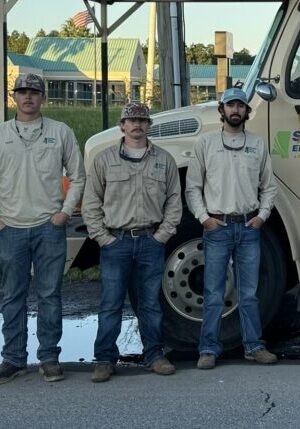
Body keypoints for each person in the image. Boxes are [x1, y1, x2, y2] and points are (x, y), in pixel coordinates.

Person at [83, 102, 181, 382]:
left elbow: (175, 199)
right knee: (111, 303)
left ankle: (154, 355)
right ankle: (104, 358)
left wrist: (162, 234)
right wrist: (104, 238)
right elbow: (91, 203)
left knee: (150, 303)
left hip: (151, 240)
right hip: (117, 243)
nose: (137, 125)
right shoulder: (104, 160)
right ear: (122, 126)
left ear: (149, 126)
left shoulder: (164, 160)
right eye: (131, 120)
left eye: (142, 120)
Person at [0, 73, 85, 384]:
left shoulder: (59, 132)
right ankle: (13, 359)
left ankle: (49, 357)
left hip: (49, 227)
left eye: (34, 92)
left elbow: (78, 176)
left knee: (50, 294)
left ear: (43, 97)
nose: (28, 97)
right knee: (12, 296)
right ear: (14, 97)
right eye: (22, 92)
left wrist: (65, 212)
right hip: (10, 228)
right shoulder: (2, 134)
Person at [186, 87, 278, 369]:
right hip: (217, 227)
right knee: (213, 293)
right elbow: (193, 187)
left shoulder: (258, 145)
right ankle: (208, 350)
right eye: (230, 106)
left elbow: (269, 186)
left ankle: (254, 346)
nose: (235, 110)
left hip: (249, 227)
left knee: (248, 293)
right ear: (221, 111)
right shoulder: (206, 144)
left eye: (240, 106)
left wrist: (262, 215)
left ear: (247, 112)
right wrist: (204, 218)